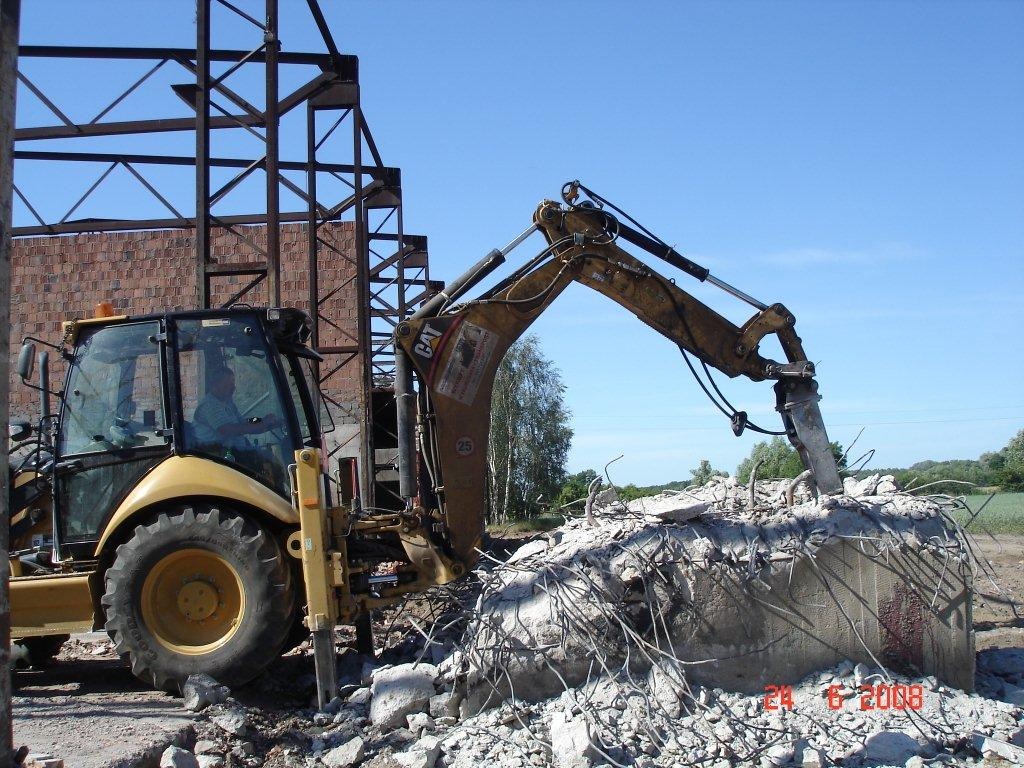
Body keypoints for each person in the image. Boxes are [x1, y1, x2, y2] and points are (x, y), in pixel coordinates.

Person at [192, 366, 281, 454]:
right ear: (215, 384)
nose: (233, 387)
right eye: (228, 384)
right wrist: (263, 424)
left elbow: (243, 421)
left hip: (235, 451)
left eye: (233, 383)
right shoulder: (210, 405)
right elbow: (228, 430)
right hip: (217, 455)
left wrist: (262, 420)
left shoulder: (228, 403)